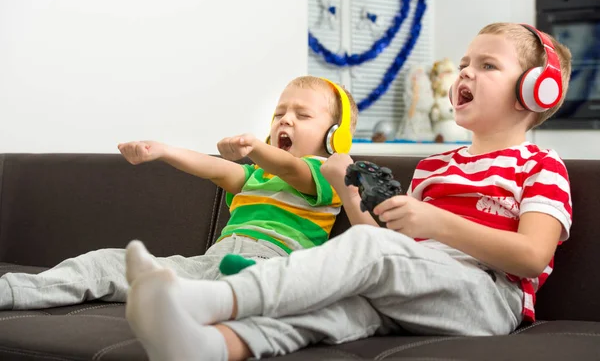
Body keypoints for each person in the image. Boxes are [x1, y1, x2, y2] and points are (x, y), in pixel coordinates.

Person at [123, 22, 573, 361]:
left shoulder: (541, 166)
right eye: (464, 65)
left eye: (487, 66)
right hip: (418, 285)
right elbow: (389, 249)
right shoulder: (435, 167)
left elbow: (532, 257)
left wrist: (437, 223)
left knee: (370, 252)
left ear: (535, 92)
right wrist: (344, 187)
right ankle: (209, 346)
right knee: (336, 311)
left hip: (488, 299)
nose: (465, 75)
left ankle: (203, 299)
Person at [0, 75, 358, 311]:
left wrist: (253, 146)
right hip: (213, 262)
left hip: (273, 267)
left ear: (335, 136)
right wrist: (163, 151)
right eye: (280, 112)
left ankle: (212, 302)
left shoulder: (330, 172)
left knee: (250, 287)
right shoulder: (255, 177)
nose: (285, 120)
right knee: (104, 262)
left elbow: (290, 168)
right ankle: (13, 291)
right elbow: (214, 167)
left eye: (302, 115)